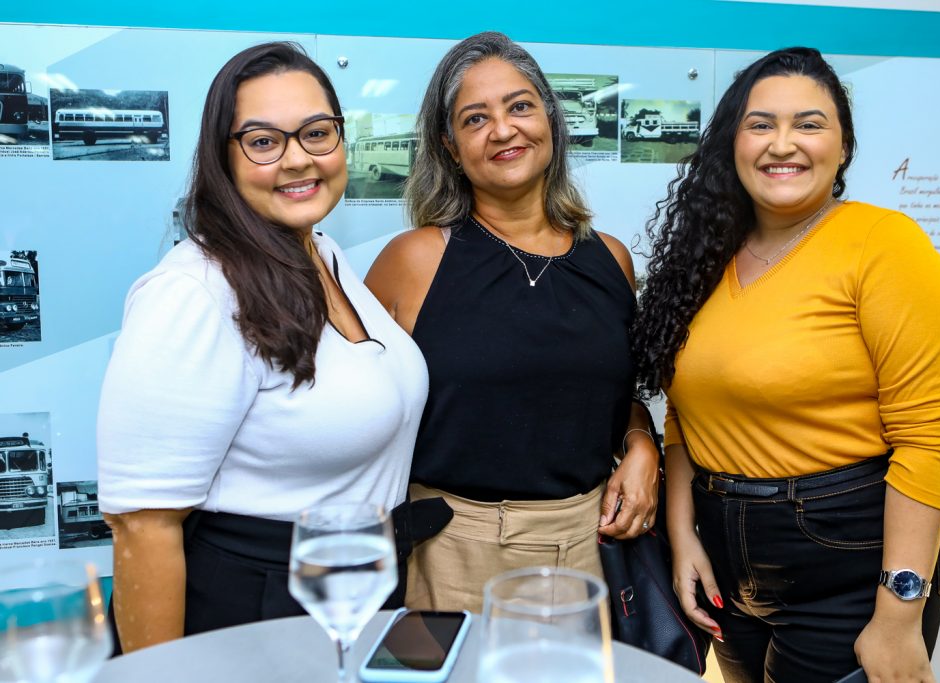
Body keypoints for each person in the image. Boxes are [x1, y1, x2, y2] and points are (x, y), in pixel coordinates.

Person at [631, 47, 940, 683]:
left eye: (808, 124)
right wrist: (684, 536)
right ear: (733, 143)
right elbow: (685, 416)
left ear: (843, 146)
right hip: (725, 563)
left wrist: (899, 615)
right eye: (761, 124)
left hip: (847, 564)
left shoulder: (886, 246)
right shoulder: (705, 258)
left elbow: (927, 441)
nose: (782, 144)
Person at [98, 42, 429, 653]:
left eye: (316, 133)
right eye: (263, 141)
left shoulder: (322, 252)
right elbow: (143, 527)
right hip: (253, 612)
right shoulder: (193, 292)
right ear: (222, 157)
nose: (298, 159)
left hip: (349, 593)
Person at [365, 31, 660, 613]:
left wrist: (641, 442)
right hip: (453, 552)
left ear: (550, 120)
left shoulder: (612, 259)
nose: (503, 130)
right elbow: (357, 411)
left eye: (520, 106)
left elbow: (613, 397)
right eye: (475, 119)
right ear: (450, 147)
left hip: (591, 548)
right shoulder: (415, 260)